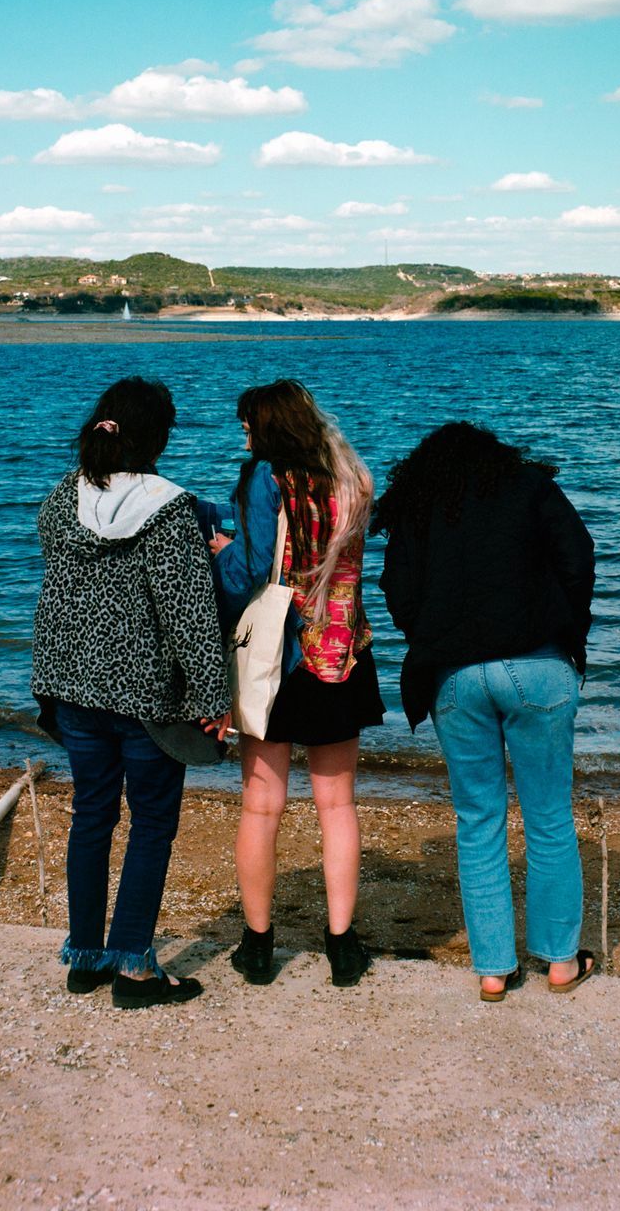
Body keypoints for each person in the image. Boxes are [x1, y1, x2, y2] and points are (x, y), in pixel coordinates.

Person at [374, 422, 596, 1001]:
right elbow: (579, 556)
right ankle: (561, 963)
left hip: (454, 676)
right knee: (549, 817)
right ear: (497, 456)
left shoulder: (420, 505)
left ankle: (494, 969)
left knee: (478, 822)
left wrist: (431, 633)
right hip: (538, 665)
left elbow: (396, 589)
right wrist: (569, 633)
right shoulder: (530, 486)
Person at [32, 377, 229, 1009]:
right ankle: (135, 971)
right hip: (148, 698)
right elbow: (190, 612)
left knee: (91, 817)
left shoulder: (64, 498)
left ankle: (86, 955)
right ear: (158, 435)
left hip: (74, 689)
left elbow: (58, 597)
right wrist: (214, 697)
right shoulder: (171, 510)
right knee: (151, 825)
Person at [209, 379, 382, 988]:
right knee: (337, 805)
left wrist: (222, 548)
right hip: (340, 654)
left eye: (248, 426)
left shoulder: (265, 478)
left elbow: (254, 570)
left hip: (277, 661)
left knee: (261, 807)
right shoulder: (353, 479)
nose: (244, 435)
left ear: (268, 428)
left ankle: (258, 948)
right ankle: (342, 947)